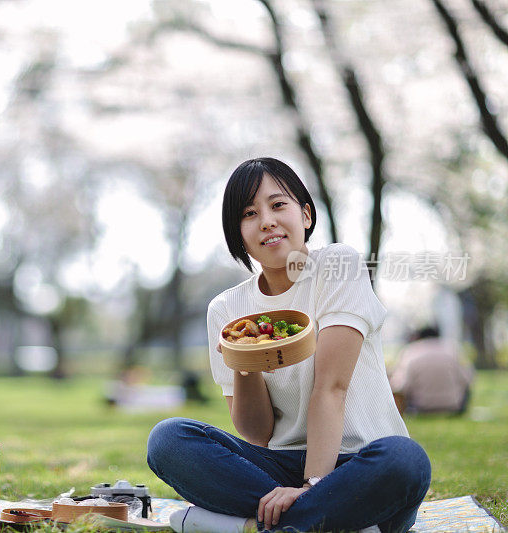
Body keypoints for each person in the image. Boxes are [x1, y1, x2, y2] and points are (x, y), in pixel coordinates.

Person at [146, 158, 431, 533]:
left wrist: (313, 485)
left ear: (306, 215)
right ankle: (334, 522)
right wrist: (243, 362)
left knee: (405, 459)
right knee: (169, 439)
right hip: (279, 468)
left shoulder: (338, 266)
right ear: (239, 233)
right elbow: (258, 433)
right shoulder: (227, 311)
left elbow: (332, 387)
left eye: (278, 205)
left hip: (362, 464)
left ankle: (253, 524)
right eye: (249, 213)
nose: (266, 220)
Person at [390, 326, 473, 414]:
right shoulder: (453, 349)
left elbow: (400, 385)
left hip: (420, 407)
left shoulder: (410, 351)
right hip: (453, 406)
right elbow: (467, 379)